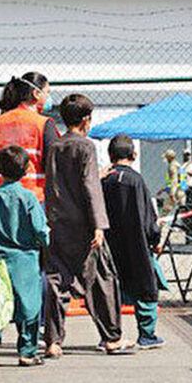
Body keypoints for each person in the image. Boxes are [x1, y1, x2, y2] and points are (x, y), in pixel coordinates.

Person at [44, 94, 130, 357]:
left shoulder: (55, 146)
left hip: (60, 222)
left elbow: (53, 184)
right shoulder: (86, 147)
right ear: (86, 120)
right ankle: (111, 337)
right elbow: (90, 187)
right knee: (102, 278)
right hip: (84, 223)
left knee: (57, 280)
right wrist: (98, 225)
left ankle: (53, 341)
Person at [0, 145, 50, 371]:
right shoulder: (28, 198)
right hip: (24, 259)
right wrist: (49, 244)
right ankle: (27, 352)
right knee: (29, 308)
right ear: (26, 169)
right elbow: (40, 229)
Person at [102, 135, 168, 349]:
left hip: (109, 243)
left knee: (111, 288)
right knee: (146, 287)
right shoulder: (136, 180)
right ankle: (147, 334)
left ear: (110, 155)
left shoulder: (105, 180)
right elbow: (148, 216)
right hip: (137, 243)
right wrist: (155, 238)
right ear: (134, 154)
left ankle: (109, 336)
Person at [0, 72, 58, 201]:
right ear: (36, 94)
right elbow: (55, 167)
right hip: (31, 198)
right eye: (47, 92)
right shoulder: (43, 124)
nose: (49, 97)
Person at [161, 148, 183, 214]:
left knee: (165, 211)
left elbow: (174, 179)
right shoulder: (177, 164)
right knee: (181, 211)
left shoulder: (172, 166)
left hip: (175, 190)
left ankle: (162, 223)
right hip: (181, 189)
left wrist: (172, 193)